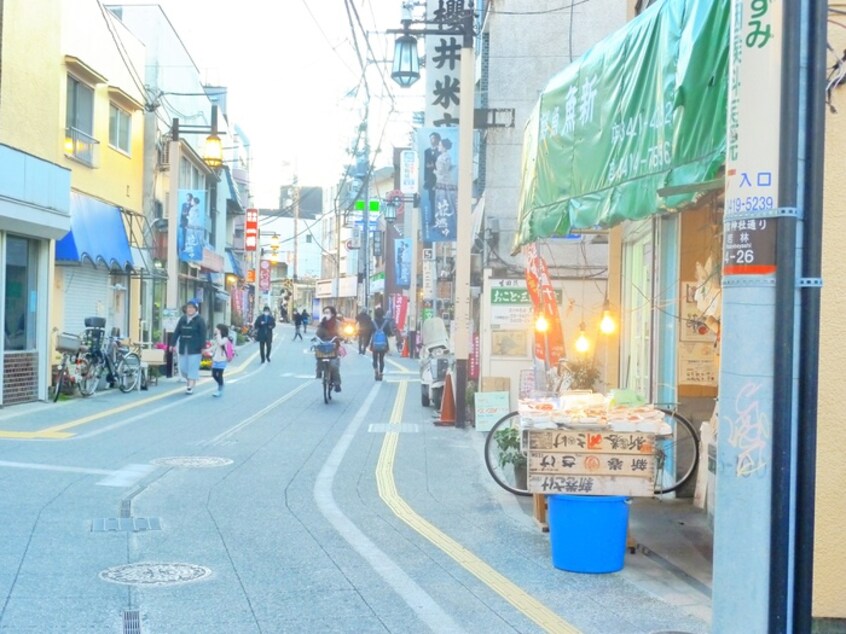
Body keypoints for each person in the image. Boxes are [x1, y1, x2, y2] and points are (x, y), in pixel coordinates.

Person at [169, 299, 207, 394]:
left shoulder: (200, 320)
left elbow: (203, 334)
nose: (189, 309)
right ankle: (190, 380)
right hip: (183, 347)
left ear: (195, 309)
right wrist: (172, 344)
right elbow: (177, 331)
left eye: (191, 308)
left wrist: (203, 347)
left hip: (195, 348)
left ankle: (190, 386)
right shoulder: (182, 319)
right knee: (183, 369)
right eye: (188, 307)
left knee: (192, 367)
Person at [314, 305, 342, 391]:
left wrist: (341, 337)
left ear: (333, 314)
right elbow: (318, 334)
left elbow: (341, 333)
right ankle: (319, 373)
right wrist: (316, 337)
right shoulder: (322, 323)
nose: (326, 314)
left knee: (334, 365)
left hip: (333, 345)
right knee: (318, 356)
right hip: (323, 345)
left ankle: (337, 383)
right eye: (324, 313)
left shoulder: (337, 323)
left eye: (328, 312)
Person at [370, 306, 393, 381]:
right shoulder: (386, 322)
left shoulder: (372, 322)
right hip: (384, 344)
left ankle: (376, 371)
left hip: (374, 344)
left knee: (375, 359)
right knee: (381, 359)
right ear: (383, 314)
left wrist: (366, 342)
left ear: (375, 314)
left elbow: (369, 332)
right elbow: (389, 333)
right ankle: (381, 373)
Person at [211, 323, 233, 397]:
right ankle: (221, 384)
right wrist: (206, 350)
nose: (215, 329)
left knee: (219, 375)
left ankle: (220, 389)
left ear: (220, 330)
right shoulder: (217, 337)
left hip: (222, 359)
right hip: (216, 359)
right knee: (214, 374)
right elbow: (214, 347)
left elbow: (220, 343)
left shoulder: (225, 339)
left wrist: (218, 335)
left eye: (216, 328)